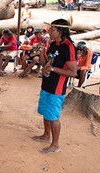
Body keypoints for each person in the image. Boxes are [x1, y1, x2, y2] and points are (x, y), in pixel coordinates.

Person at [32, 19, 77, 153]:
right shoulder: (53, 44)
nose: (49, 31)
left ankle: (55, 145)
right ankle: (46, 135)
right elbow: (46, 62)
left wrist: (52, 69)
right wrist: (41, 52)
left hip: (57, 87)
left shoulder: (68, 47)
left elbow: (73, 72)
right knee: (46, 111)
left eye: (52, 29)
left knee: (53, 116)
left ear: (61, 31)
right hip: (46, 84)